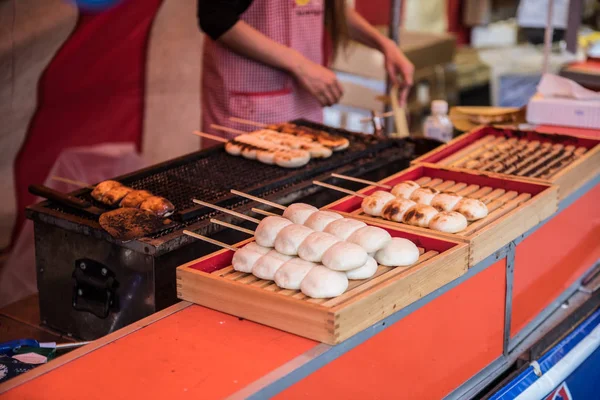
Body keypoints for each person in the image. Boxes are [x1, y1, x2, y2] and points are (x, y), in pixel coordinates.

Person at [197, 0, 414, 145]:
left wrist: (384, 44)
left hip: (304, 104)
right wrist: (301, 65)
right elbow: (215, 17)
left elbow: (331, 6)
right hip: (249, 107)